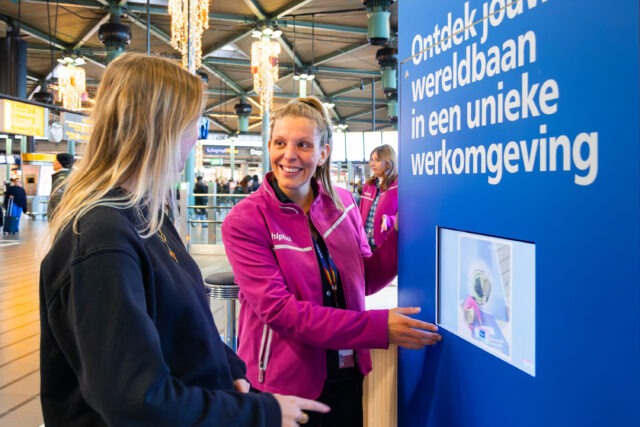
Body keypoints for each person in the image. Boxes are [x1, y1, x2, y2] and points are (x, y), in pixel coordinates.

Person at [39, 53, 328, 427]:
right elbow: (138, 400)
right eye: (195, 123)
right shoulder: (102, 237)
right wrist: (262, 412)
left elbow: (186, 325)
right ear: (162, 129)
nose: (197, 136)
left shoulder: (146, 217)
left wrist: (231, 370)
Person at [222, 97, 441, 427]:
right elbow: (281, 312)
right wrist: (380, 327)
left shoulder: (343, 203)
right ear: (269, 146)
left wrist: (400, 234)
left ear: (323, 153)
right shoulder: (246, 220)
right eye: (280, 143)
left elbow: (364, 279)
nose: (289, 155)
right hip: (284, 384)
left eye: (304, 145)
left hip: (347, 372)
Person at [359, 145, 398, 251]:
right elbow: (360, 213)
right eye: (371, 160)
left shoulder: (398, 187)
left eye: (377, 160)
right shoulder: (368, 186)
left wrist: (389, 220)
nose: (372, 163)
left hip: (384, 244)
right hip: (364, 244)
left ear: (388, 163)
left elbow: (406, 218)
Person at [47, 152, 75, 220]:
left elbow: (57, 200)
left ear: (61, 163)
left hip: (59, 219)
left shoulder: (62, 179)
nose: (53, 162)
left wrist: (56, 219)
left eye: (55, 160)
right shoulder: (68, 176)